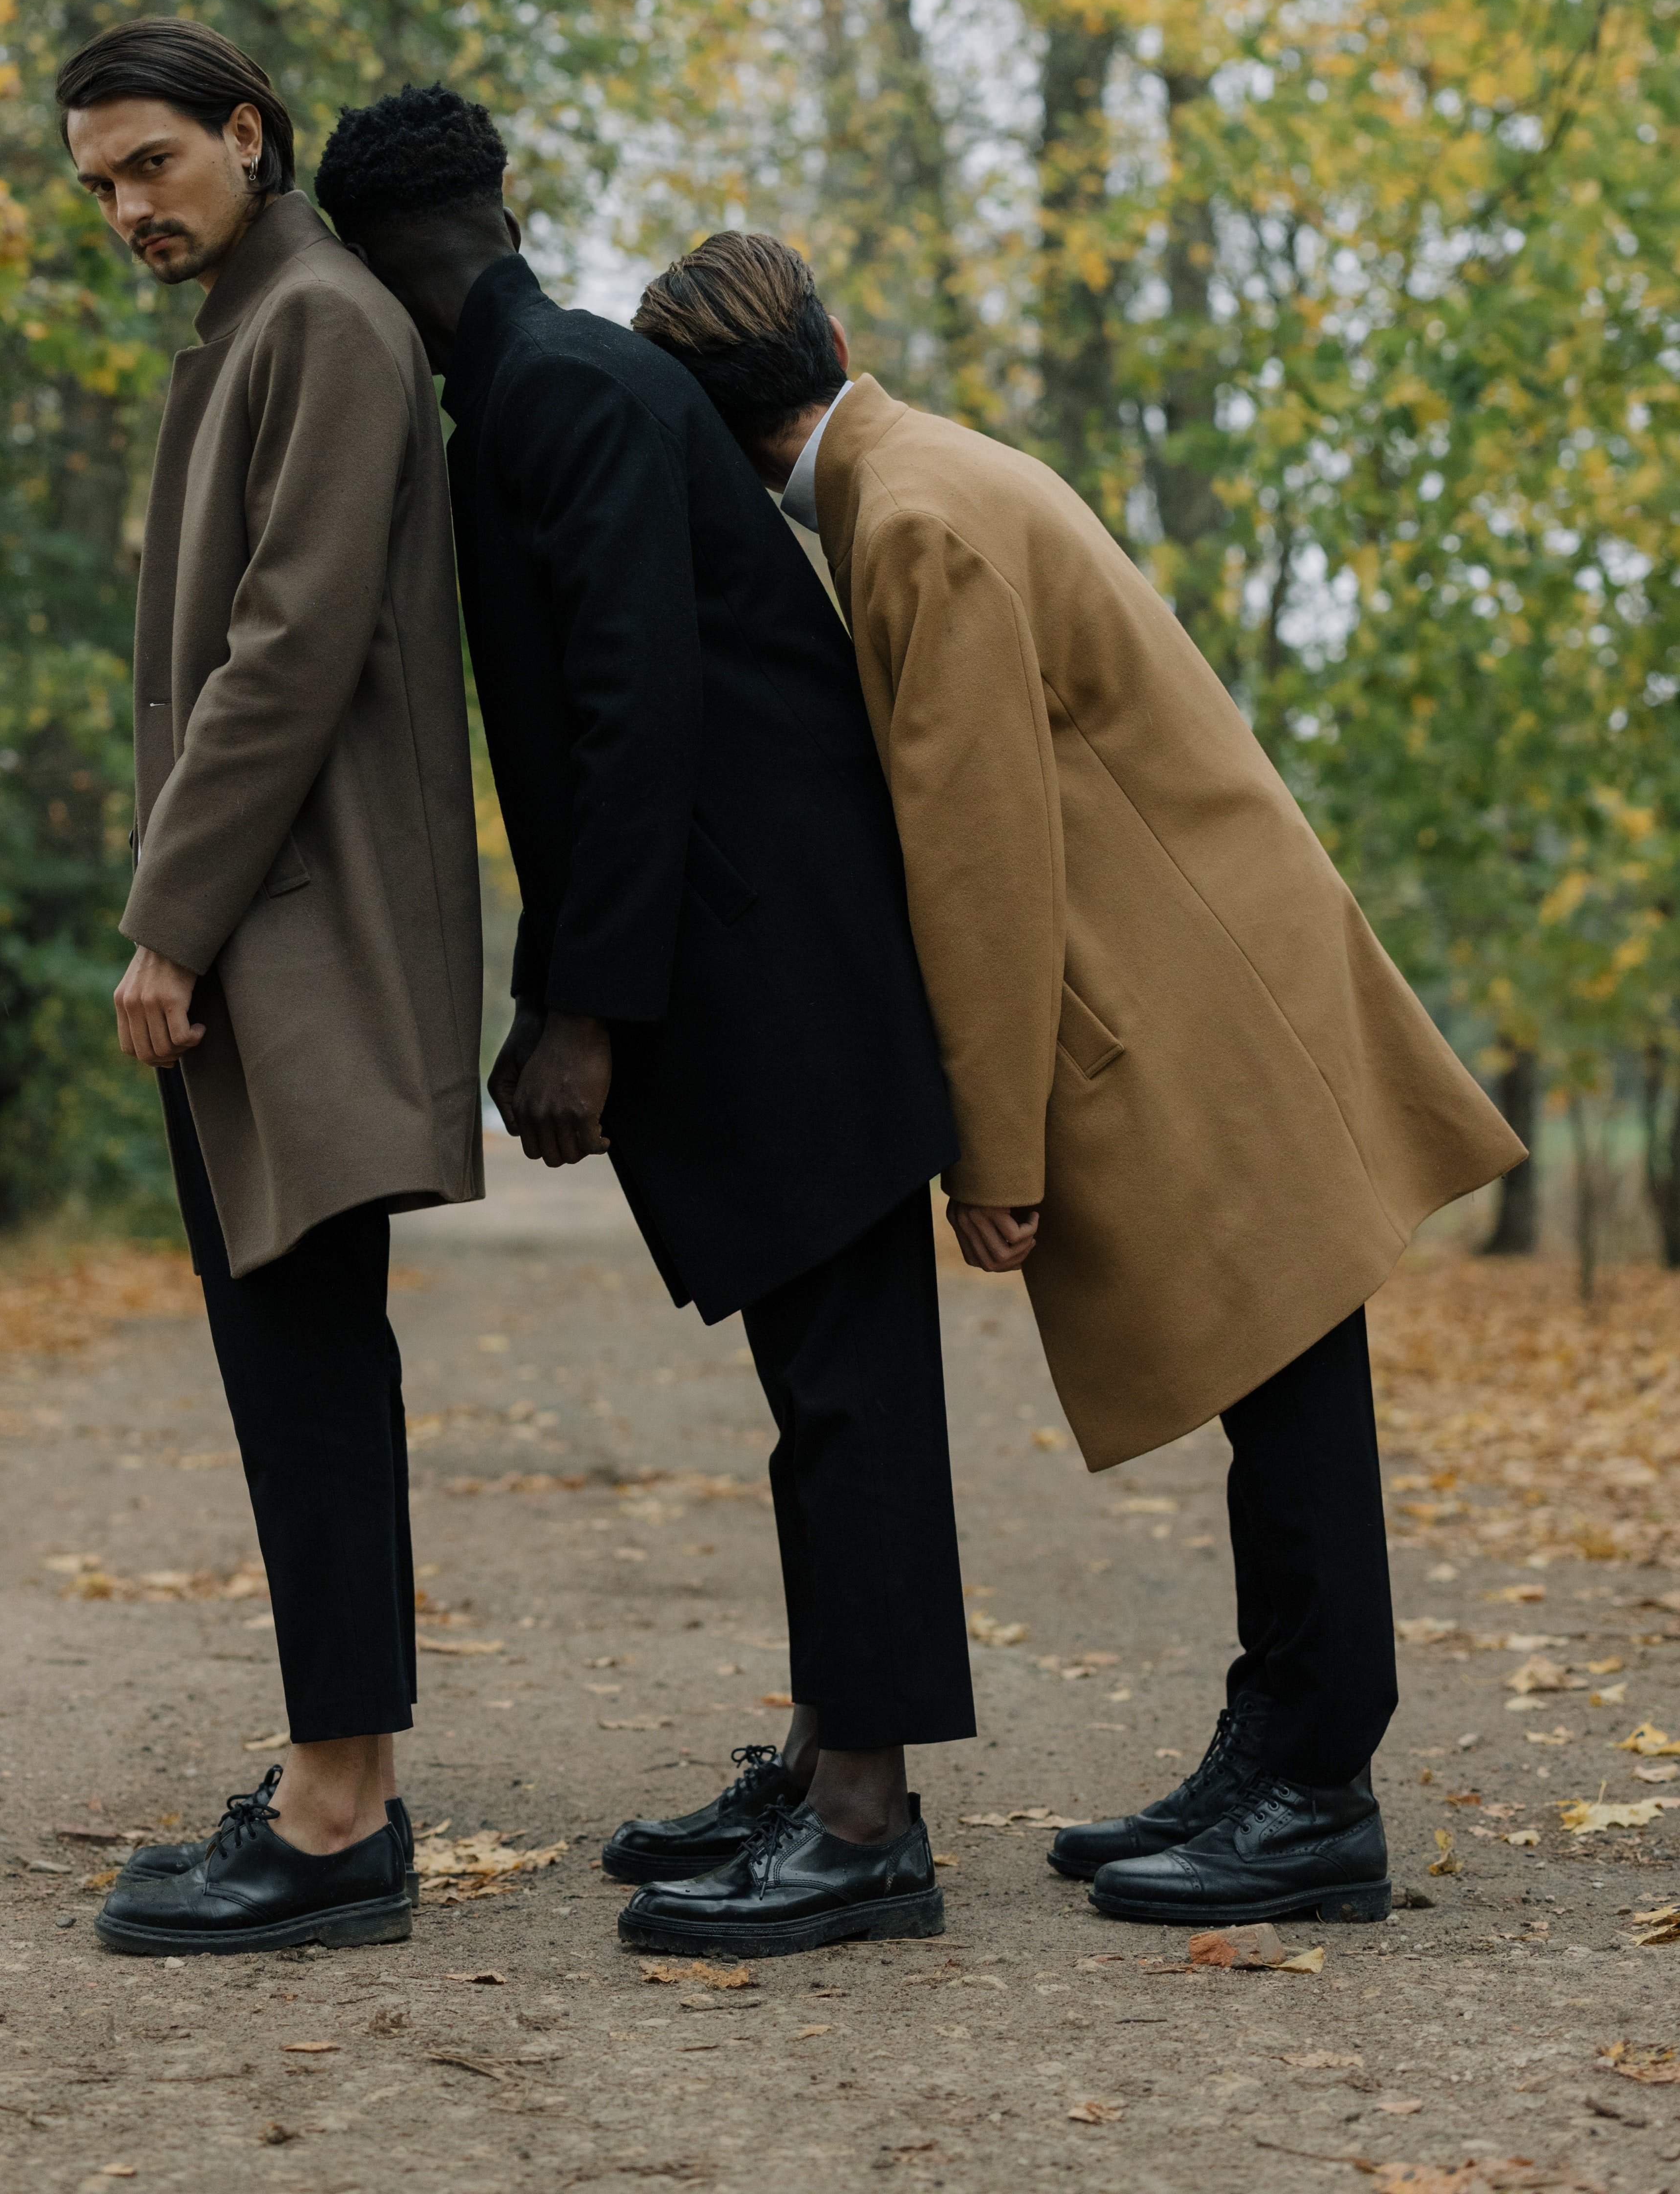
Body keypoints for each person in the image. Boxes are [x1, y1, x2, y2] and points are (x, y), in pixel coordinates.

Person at [630, 230, 1526, 1935]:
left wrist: (995, 1147)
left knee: (1294, 1369)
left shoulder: (907, 521)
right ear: (833, 333)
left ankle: (1317, 1791)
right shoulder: (921, 470)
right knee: (1287, 1372)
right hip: (1207, 963)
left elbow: (979, 857)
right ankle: (1273, 1754)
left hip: (1194, 988)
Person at [313, 84, 974, 1961]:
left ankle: (868, 1828)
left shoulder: (566, 393)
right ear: (499, 203)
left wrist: (577, 1007)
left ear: (377, 254)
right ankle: (828, 1758)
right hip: (763, 952)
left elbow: (637, 708)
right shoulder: (548, 386)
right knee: (819, 1385)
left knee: (848, 1392)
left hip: (785, 962)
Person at [54, 19, 486, 1958]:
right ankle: (345, 1786)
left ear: (250, 132)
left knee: (306, 1359)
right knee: (298, 1357)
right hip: (270, 926)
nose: (129, 208)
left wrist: (171, 916)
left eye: (152, 163)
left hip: (290, 934)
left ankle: (333, 1824)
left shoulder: (315, 320)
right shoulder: (263, 322)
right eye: (100, 187)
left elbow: (288, 642)